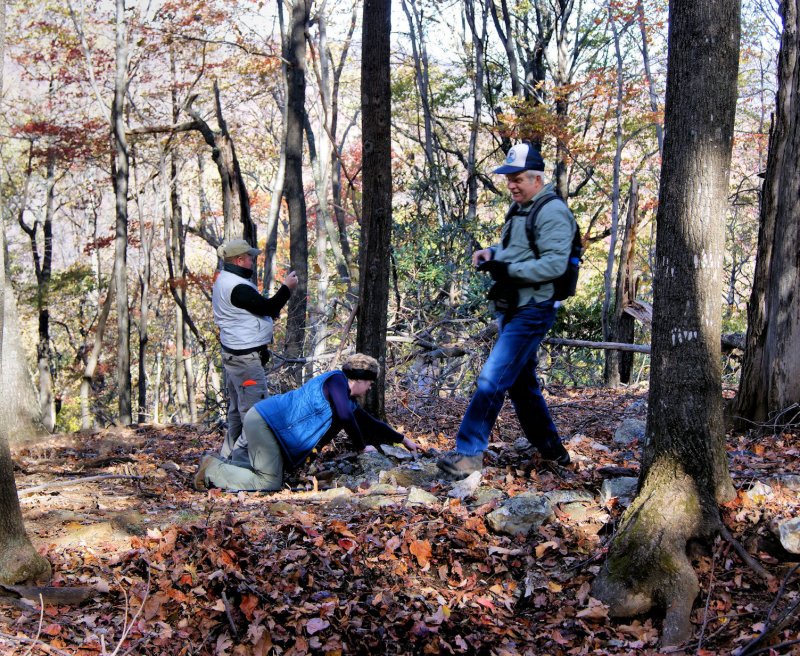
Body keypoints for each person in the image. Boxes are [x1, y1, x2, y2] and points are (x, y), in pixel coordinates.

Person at [437, 143, 573, 479]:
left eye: (518, 178)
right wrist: (491, 253)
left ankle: (469, 454)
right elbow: (517, 250)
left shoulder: (553, 212)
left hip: (534, 308)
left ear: (537, 178)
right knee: (522, 386)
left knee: (491, 379)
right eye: (509, 178)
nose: (511, 184)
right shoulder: (521, 208)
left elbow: (554, 265)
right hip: (512, 306)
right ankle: (554, 453)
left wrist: (507, 271)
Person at [194, 353, 420, 492]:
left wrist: (404, 440)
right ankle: (212, 470)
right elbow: (344, 417)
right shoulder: (336, 381)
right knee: (268, 482)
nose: (370, 388)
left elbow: (370, 423)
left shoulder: (345, 397)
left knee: (257, 472)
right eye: (370, 383)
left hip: (267, 423)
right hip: (266, 423)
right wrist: (362, 447)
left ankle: (217, 468)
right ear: (360, 379)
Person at [212, 238, 299, 458]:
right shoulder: (237, 287)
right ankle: (247, 463)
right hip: (244, 362)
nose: (253, 260)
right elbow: (268, 307)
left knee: (235, 411)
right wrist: (287, 289)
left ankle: (228, 459)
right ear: (239, 260)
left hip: (237, 358)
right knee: (255, 413)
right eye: (250, 257)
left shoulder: (227, 280)